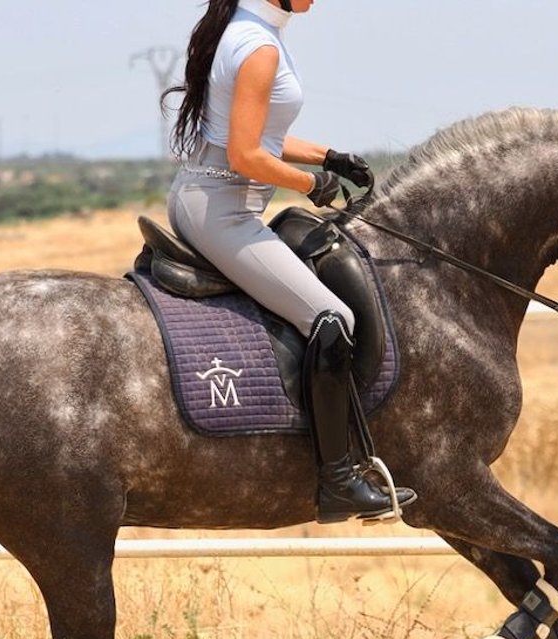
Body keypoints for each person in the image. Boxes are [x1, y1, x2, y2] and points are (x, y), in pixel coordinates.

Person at [161, 0, 415, 524]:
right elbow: (245, 156)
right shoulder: (256, 47)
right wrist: (311, 183)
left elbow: (263, 136)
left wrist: (328, 156)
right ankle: (338, 479)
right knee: (332, 319)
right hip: (221, 212)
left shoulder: (253, 31)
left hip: (217, 201)